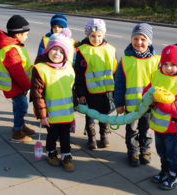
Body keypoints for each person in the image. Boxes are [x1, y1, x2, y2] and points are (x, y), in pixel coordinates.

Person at [142, 44, 177, 190]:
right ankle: (165, 172)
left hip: (172, 128)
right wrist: (147, 97)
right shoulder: (158, 75)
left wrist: (156, 100)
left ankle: (175, 175)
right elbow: (148, 90)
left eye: (172, 65)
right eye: (165, 64)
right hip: (159, 126)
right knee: (161, 152)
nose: (168, 68)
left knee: (171, 154)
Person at [30, 28, 78, 172]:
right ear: (48, 50)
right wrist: (42, 115)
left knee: (65, 135)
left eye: (61, 51)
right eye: (54, 49)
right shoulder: (40, 69)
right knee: (52, 135)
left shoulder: (68, 66)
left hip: (66, 112)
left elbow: (71, 88)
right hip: (50, 114)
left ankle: (66, 155)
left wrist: (75, 105)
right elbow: (37, 94)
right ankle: (51, 153)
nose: (57, 53)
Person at [114, 23, 160, 167]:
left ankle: (145, 151)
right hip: (131, 107)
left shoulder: (156, 61)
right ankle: (133, 152)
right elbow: (119, 84)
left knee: (146, 131)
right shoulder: (125, 61)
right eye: (135, 39)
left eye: (143, 39)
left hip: (149, 106)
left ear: (149, 41)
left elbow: (160, 85)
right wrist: (119, 104)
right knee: (132, 131)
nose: (139, 42)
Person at [74, 19, 117, 150]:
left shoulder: (110, 49)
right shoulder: (82, 51)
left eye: (99, 35)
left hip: (107, 90)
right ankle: (91, 137)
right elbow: (79, 74)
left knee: (104, 114)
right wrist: (81, 93)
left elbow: (115, 72)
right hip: (89, 91)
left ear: (103, 35)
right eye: (93, 36)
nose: (96, 38)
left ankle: (104, 135)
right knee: (91, 115)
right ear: (87, 35)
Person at [0, 15, 35, 142]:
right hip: (16, 85)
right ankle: (17, 132)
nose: (27, 36)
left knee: (17, 106)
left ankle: (20, 125)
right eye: (26, 34)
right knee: (21, 107)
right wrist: (27, 86)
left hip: (17, 85)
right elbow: (17, 72)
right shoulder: (11, 50)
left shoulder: (14, 45)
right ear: (18, 35)